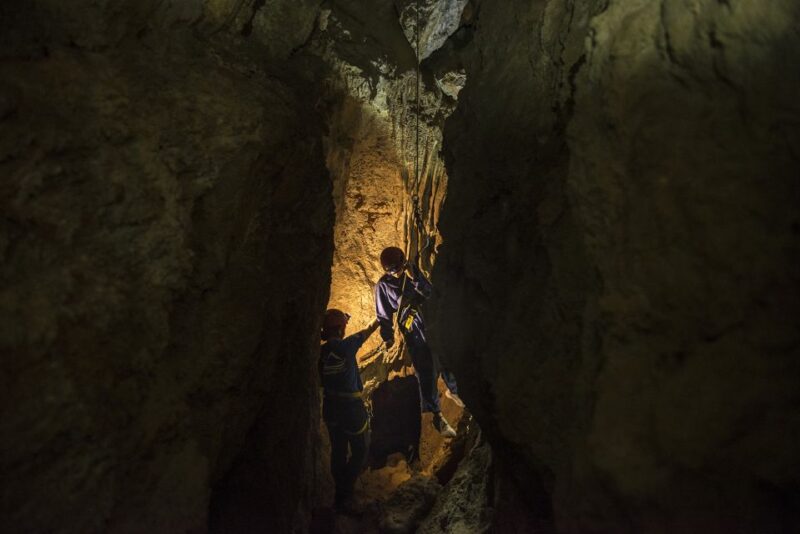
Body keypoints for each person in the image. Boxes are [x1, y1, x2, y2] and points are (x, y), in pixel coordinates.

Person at [374, 246, 463, 438]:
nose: (396, 272)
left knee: (446, 357)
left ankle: (456, 391)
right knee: (426, 370)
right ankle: (437, 416)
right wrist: (387, 336)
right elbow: (384, 314)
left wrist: (415, 276)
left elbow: (429, 292)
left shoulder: (412, 273)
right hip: (413, 330)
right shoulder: (383, 285)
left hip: (429, 322)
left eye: (398, 267)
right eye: (392, 270)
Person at [319, 309, 380, 513]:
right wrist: (379, 318)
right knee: (361, 449)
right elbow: (366, 332)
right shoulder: (345, 346)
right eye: (343, 326)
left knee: (338, 450)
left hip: (330, 407)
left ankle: (339, 494)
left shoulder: (321, 353)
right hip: (350, 409)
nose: (346, 329)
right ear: (338, 328)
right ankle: (346, 493)